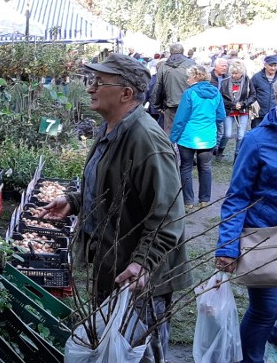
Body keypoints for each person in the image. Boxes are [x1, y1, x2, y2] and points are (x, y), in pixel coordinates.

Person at [39, 53, 192, 362]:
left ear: (126, 93)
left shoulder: (146, 139)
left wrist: (143, 263)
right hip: (114, 263)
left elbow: (168, 215)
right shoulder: (112, 128)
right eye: (90, 80)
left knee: (138, 352)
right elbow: (110, 184)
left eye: (99, 81)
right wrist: (75, 200)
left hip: (137, 277)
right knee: (112, 346)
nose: (91, 88)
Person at [215, 69, 277, 363]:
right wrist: (228, 246)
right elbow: (237, 196)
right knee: (264, 311)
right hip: (265, 237)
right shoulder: (258, 140)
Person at [169, 65, 225, 210]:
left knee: (186, 168)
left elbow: (181, 119)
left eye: (189, 76)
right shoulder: (216, 93)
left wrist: (172, 138)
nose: (187, 79)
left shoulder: (189, 93)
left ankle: (188, 201)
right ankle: (204, 200)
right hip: (207, 137)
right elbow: (221, 116)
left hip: (188, 137)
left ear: (195, 77)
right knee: (205, 168)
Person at [152, 43, 197, 134]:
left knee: (170, 132)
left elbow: (158, 87)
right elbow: (198, 82)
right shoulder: (192, 64)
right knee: (187, 130)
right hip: (189, 103)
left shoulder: (164, 66)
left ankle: (171, 147)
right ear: (183, 51)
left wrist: (157, 105)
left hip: (170, 104)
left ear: (170, 52)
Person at [218, 60, 257, 161]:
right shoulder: (225, 82)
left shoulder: (248, 81)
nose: (235, 75)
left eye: (237, 73)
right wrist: (233, 105)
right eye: (233, 73)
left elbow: (253, 95)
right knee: (227, 134)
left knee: (241, 135)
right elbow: (221, 98)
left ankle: (237, 156)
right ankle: (220, 151)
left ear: (242, 73)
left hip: (243, 110)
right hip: (229, 110)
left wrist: (243, 104)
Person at [251, 54, 277, 129]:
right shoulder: (256, 77)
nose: (273, 68)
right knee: (257, 135)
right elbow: (251, 93)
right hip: (259, 114)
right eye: (271, 65)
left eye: (275, 65)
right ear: (265, 65)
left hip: (274, 114)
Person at [210, 58, 229, 157]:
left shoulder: (228, 78)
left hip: (222, 107)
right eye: (222, 65)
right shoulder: (209, 77)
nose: (225, 68)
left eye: (226, 66)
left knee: (221, 131)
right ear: (215, 66)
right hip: (210, 108)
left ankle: (215, 149)